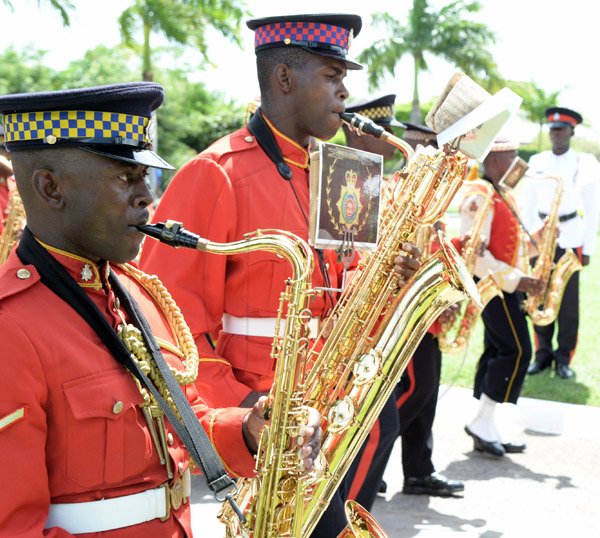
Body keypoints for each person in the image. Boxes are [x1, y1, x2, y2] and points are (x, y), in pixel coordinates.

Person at [140, 15, 422, 535]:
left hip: (331, 415)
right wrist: (245, 415)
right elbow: (167, 325)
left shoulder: (344, 172)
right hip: (262, 429)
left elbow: (346, 297)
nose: (345, 92)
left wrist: (393, 283)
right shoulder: (215, 173)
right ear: (284, 78)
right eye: (332, 75)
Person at [0, 82, 322, 536]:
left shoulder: (138, 295)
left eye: (144, 178)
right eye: (124, 178)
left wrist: (249, 431)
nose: (147, 199)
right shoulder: (9, 329)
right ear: (50, 188)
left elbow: (183, 422)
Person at [461, 138, 545, 457]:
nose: (518, 161)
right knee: (517, 350)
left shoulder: (503, 195)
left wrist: (540, 239)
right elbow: (477, 256)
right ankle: (482, 422)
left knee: (500, 349)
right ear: (495, 158)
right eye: (512, 155)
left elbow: (514, 247)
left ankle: (486, 422)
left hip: (506, 287)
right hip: (494, 287)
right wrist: (517, 280)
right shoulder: (479, 194)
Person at [520, 107, 600, 379]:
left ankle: (564, 358)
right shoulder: (538, 160)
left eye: (561, 129)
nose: (556, 134)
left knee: (567, 304)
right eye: (552, 129)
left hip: (571, 237)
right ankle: (541, 355)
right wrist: (530, 239)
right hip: (541, 237)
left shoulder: (584, 162)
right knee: (538, 294)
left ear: (571, 132)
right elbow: (528, 204)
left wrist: (587, 249)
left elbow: (592, 210)